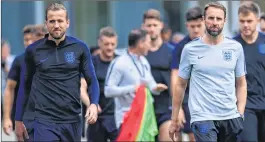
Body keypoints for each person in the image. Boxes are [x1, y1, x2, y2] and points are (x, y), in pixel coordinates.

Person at [14, 3, 99, 141]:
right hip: (44, 121)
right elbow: (25, 86)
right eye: (52, 21)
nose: (56, 25)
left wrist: (94, 104)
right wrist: (18, 119)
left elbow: (92, 80)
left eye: (60, 21)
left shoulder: (80, 48)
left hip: (72, 121)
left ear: (67, 23)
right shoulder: (33, 50)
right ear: (46, 23)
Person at [169, 2, 247, 142]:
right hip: (202, 117)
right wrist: (175, 118)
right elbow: (180, 84)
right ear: (204, 20)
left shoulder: (236, 48)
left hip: (229, 116)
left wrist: (240, 113)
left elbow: (241, 83)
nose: (214, 22)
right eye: (211, 18)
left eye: (218, 19)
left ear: (224, 21)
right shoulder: (189, 49)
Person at [104, 29, 168, 131]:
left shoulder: (144, 61)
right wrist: (133, 88)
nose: (150, 45)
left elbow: (150, 85)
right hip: (125, 119)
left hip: (144, 119)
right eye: (148, 42)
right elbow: (108, 91)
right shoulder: (120, 62)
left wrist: (156, 88)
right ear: (140, 44)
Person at [170, 6, 205, 142]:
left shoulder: (215, 43)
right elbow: (175, 78)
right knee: (195, 136)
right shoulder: (181, 48)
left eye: (198, 25)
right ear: (187, 26)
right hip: (191, 99)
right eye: (192, 26)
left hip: (213, 97)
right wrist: (177, 108)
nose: (196, 29)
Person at [233, 2, 265, 142]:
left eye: (249, 21)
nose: (245, 25)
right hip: (245, 106)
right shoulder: (232, 46)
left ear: (258, 21)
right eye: (242, 21)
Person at [141, 9, 173, 141]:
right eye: (149, 26)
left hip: (166, 108)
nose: (152, 29)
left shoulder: (171, 51)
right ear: (143, 27)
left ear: (161, 26)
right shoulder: (139, 53)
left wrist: (179, 108)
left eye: (155, 25)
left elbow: (178, 81)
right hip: (144, 109)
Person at [3, 25, 36, 136]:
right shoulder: (19, 61)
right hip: (23, 120)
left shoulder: (49, 60)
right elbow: (9, 88)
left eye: (32, 39)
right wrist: (6, 118)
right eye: (26, 40)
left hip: (46, 119)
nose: (29, 42)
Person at [87, 26, 119, 142]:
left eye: (113, 44)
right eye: (106, 44)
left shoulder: (121, 62)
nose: (110, 48)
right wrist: (92, 104)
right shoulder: (91, 62)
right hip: (97, 117)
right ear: (99, 43)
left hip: (117, 117)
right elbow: (82, 87)